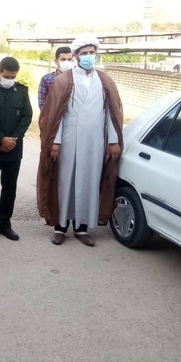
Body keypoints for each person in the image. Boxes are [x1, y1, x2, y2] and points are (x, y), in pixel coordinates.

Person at [37, 35, 123, 246]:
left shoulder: (104, 81)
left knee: (89, 182)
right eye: (84, 53)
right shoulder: (63, 81)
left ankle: (82, 227)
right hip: (69, 139)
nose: (88, 56)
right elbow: (56, 115)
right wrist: (56, 141)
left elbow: (111, 113)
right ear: (75, 56)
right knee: (65, 181)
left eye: (92, 52)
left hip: (94, 141)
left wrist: (113, 141)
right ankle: (60, 226)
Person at [0, 57, 32, 242]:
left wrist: (13, 139)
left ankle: (5, 224)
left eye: (13, 77)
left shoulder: (21, 90)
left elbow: (27, 116)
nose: (10, 79)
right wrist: (1, 138)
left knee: (10, 189)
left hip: (14, 149)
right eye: (7, 76)